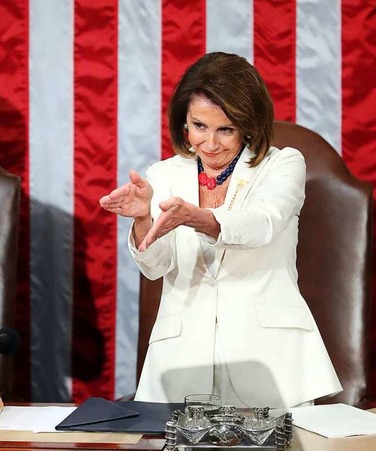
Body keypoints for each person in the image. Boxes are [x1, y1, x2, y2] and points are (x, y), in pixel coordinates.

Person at [99, 52, 341, 408]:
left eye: (225, 129)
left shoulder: (283, 164)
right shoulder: (164, 175)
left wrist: (199, 218)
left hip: (271, 362)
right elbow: (155, 266)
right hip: (181, 362)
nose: (210, 144)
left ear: (248, 124)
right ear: (184, 121)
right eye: (199, 126)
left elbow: (262, 223)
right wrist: (142, 220)